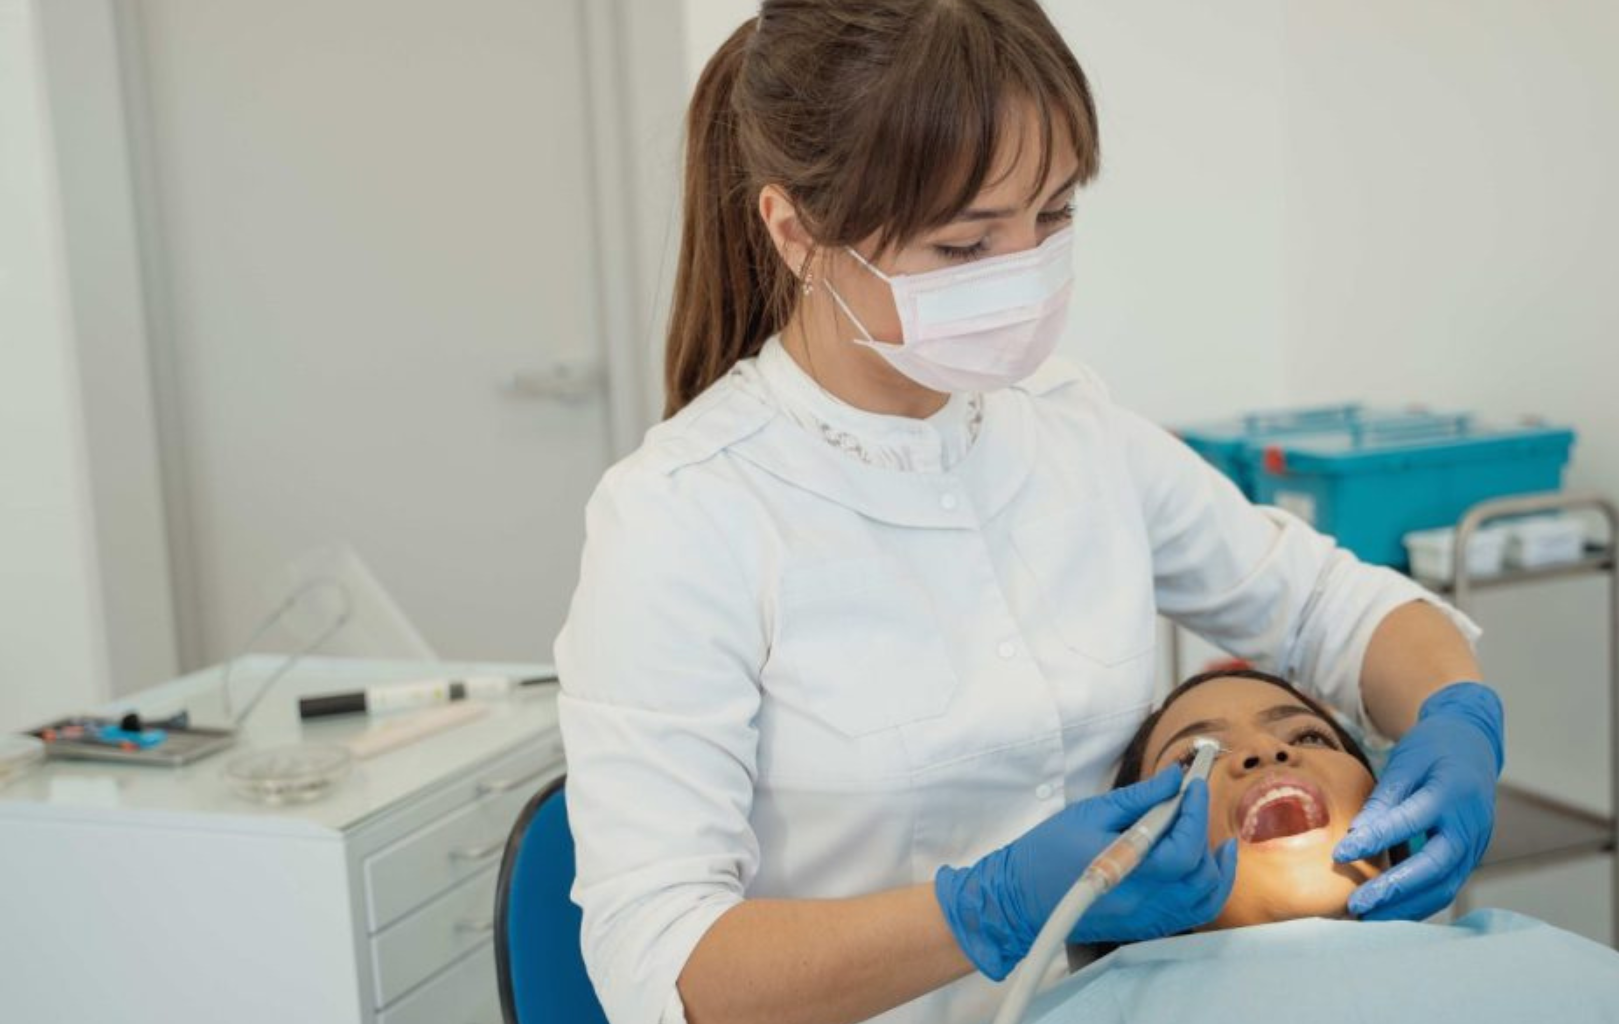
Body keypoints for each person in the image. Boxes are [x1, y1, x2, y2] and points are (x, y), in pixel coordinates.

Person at [553, 3, 1500, 1023]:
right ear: (796, 233)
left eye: (1050, 216)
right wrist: (986, 910)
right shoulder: (682, 516)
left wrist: (1457, 715)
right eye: (964, 245)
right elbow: (666, 967)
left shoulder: (1073, 429)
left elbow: (1331, 609)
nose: (1020, 271)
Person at [1029, 669, 1619, 1024]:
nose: (1265, 756)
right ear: (1131, 851)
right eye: (1197, 756)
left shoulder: (1560, 971)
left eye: (1309, 736)